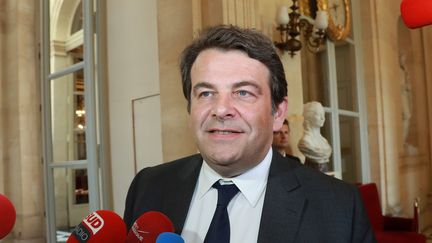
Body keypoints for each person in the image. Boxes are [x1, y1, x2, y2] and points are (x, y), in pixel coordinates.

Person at [124, 25, 374, 243]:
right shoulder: (148, 187)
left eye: (243, 92)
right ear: (190, 109)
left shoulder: (339, 207)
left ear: (277, 113)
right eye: (206, 93)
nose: (221, 110)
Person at [298, 101, 332, 172]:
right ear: (309, 116)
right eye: (318, 114)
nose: (322, 118)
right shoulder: (305, 141)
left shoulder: (324, 141)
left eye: (323, 114)